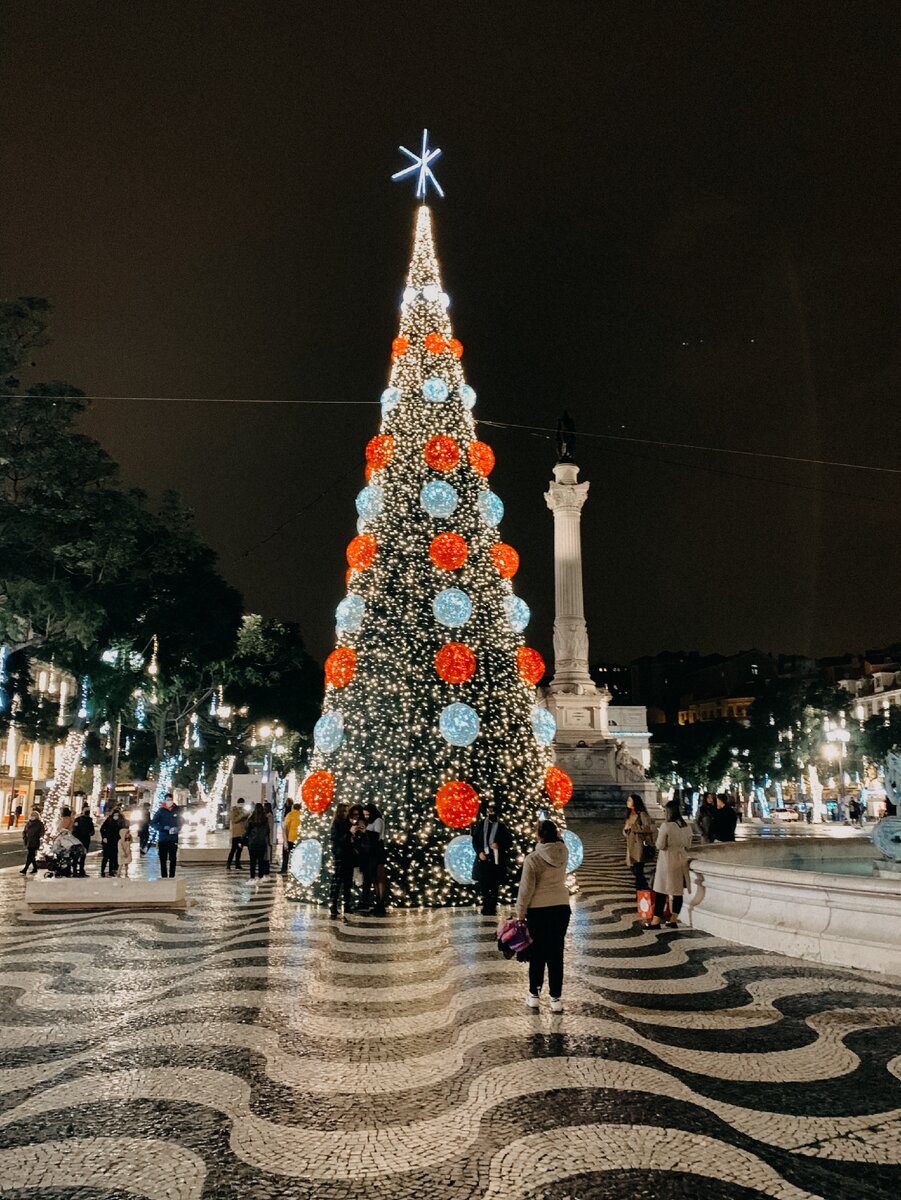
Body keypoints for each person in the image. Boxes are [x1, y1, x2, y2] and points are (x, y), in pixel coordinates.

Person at [516, 819, 571, 1013]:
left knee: (538, 954)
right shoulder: (563, 852)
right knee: (556, 953)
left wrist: (520, 914)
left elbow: (526, 889)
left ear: (538, 835)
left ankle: (534, 995)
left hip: (539, 909)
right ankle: (556, 998)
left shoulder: (533, 859)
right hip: (562, 907)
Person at [646, 799, 693, 929]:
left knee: (661, 891)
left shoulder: (666, 826)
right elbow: (689, 845)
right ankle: (673, 919)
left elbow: (660, 845)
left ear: (669, 812)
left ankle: (656, 921)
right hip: (681, 859)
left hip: (667, 860)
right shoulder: (686, 826)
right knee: (677, 891)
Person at [470, 800, 512, 916]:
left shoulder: (501, 827)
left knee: (494, 885)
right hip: (483, 859)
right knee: (484, 884)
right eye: (489, 810)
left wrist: (499, 845)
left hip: (496, 860)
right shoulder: (481, 825)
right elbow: (475, 840)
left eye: (493, 810)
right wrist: (479, 853)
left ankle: (492, 906)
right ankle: (485, 905)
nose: (491, 813)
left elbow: (509, 842)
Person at [623, 793, 654, 891]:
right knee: (633, 868)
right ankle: (643, 886)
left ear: (634, 802)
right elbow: (626, 831)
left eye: (629, 800)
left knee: (638, 869)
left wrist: (633, 827)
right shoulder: (629, 815)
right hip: (631, 844)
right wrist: (626, 830)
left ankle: (640, 890)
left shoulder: (642, 814)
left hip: (639, 845)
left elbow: (648, 827)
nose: (627, 802)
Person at [362, 802, 387, 916]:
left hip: (378, 850)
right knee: (375, 879)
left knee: (380, 878)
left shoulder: (378, 821)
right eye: (365, 815)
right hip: (371, 852)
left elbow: (376, 836)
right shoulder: (370, 821)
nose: (366, 816)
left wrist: (364, 831)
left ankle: (381, 904)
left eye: (367, 814)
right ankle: (378, 904)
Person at [329, 803, 353, 918]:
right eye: (344, 811)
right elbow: (336, 839)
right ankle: (333, 904)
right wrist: (349, 833)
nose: (346, 813)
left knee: (348, 881)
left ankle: (347, 904)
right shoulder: (336, 824)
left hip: (349, 854)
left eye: (347, 811)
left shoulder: (348, 823)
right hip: (340, 854)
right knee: (337, 880)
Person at [151, 793, 182, 878]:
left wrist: (177, 828)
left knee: (173, 858)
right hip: (163, 839)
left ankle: (172, 876)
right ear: (165, 800)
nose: (169, 801)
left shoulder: (177, 810)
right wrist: (163, 828)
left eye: (171, 800)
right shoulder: (161, 811)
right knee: (163, 859)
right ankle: (164, 876)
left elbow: (182, 821)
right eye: (168, 800)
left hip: (173, 838)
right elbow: (153, 823)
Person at [245, 802, 271, 880]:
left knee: (252, 862)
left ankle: (252, 877)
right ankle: (260, 877)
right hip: (261, 843)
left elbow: (247, 830)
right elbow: (267, 831)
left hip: (252, 843)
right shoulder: (265, 819)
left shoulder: (251, 819)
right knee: (261, 862)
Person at [100, 807, 125, 877]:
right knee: (106, 856)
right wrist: (104, 837)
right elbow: (102, 829)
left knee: (113, 857)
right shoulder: (108, 820)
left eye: (117, 815)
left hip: (116, 841)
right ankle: (102, 871)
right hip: (107, 841)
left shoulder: (120, 822)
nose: (116, 816)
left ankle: (111, 870)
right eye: (115, 815)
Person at [20, 809, 44, 875]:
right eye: (31, 815)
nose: (32, 816)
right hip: (28, 841)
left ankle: (25, 869)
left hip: (34, 841)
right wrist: (24, 837)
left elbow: (42, 832)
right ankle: (35, 868)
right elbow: (24, 831)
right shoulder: (28, 823)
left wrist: (37, 836)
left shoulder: (39, 823)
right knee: (32, 856)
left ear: (37, 816)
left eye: (33, 815)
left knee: (30, 855)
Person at [227, 800, 248, 870]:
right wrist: (243, 815)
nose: (242, 805)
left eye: (243, 804)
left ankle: (237, 864)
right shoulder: (234, 810)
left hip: (242, 833)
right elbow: (234, 820)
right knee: (233, 850)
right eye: (241, 803)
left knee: (239, 850)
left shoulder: (244, 810)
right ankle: (228, 864)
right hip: (236, 834)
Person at [281, 799, 300, 875]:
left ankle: (284, 869)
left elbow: (286, 827)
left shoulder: (290, 814)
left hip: (290, 838)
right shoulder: (301, 814)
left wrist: (285, 839)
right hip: (298, 838)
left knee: (285, 854)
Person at [263, 800, 276, 865]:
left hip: (268, 834)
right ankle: (267, 859)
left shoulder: (269, 816)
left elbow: (270, 826)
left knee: (268, 846)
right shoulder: (267, 815)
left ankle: (269, 859)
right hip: (267, 833)